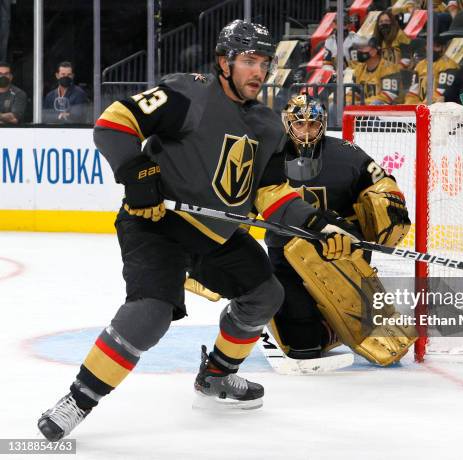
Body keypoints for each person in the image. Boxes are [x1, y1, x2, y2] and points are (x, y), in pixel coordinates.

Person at [37, 20, 357, 442]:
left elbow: (270, 194)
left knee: (265, 294)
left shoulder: (268, 126)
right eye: (248, 61)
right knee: (149, 314)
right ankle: (79, 399)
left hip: (217, 233)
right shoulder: (190, 92)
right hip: (157, 224)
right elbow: (114, 123)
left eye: (264, 62)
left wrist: (318, 223)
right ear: (224, 63)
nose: (258, 72)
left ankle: (216, 377)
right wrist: (139, 176)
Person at [191, 95, 417, 365]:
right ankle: (327, 326)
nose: (306, 131)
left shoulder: (347, 154)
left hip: (340, 254)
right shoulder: (266, 158)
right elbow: (240, 213)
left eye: (312, 124)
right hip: (284, 256)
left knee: (385, 346)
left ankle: (344, 315)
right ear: (288, 124)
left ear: (322, 124)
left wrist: (387, 203)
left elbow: (382, 184)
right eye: (300, 125)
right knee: (302, 346)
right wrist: (212, 250)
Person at [404, 35, 460, 104]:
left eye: (436, 46)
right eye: (430, 46)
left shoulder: (449, 65)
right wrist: (410, 105)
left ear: (443, 48)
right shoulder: (419, 65)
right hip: (421, 106)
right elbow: (413, 92)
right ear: (425, 47)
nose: (432, 49)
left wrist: (422, 105)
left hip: (439, 107)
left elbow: (440, 92)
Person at [349, 36, 403, 105]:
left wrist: (362, 103)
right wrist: (348, 101)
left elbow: (388, 96)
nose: (359, 51)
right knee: (335, 106)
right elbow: (353, 92)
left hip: (391, 110)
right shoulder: (359, 69)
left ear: (374, 51)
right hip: (365, 109)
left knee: (376, 103)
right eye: (358, 48)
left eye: (363, 48)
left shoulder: (389, 68)